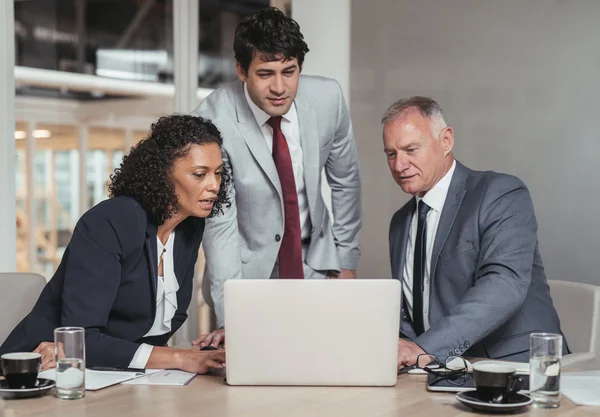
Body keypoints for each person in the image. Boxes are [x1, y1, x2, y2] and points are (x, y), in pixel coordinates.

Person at [0, 115, 228, 373]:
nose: (214, 185)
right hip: (38, 373)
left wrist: (201, 352)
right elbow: (81, 336)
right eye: (200, 174)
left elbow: (154, 328)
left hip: (118, 375)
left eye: (218, 173)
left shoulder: (190, 224)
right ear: (162, 175)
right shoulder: (110, 222)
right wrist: (180, 358)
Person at [192, 7, 362, 346]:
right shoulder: (213, 119)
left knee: (323, 363)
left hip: (317, 260)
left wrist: (346, 260)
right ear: (242, 71)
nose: (280, 87)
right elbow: (219, 223)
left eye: (290, 71)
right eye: (265, 73)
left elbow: (345, 182)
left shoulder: (329, 100)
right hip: (246, 273)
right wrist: (231, 316)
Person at [382, 96, 566, 368]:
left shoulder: (500, 193)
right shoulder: (400, 223)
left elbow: (504, 283)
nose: (399, 165)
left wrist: (424, 348)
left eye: (411, 149)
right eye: (391, 154)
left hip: (515, 368)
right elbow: (411, 318)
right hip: (441, 371)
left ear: (446, 140)